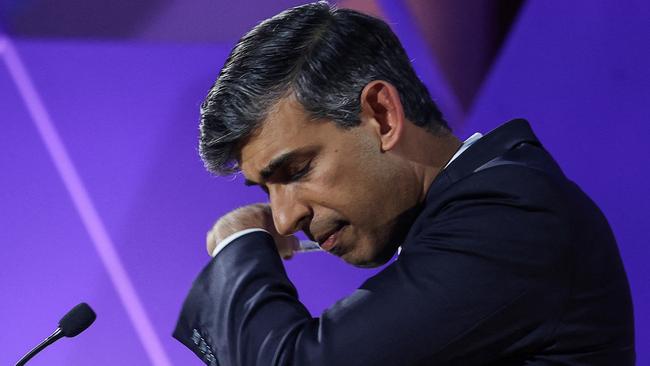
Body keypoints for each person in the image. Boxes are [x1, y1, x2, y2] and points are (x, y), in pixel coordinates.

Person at [173, 2, 635, 365]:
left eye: (296, 172)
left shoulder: (513, 217)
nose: (284, 217)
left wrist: (240, 245)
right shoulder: (477, 216)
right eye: (264, 190)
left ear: (383, 115)